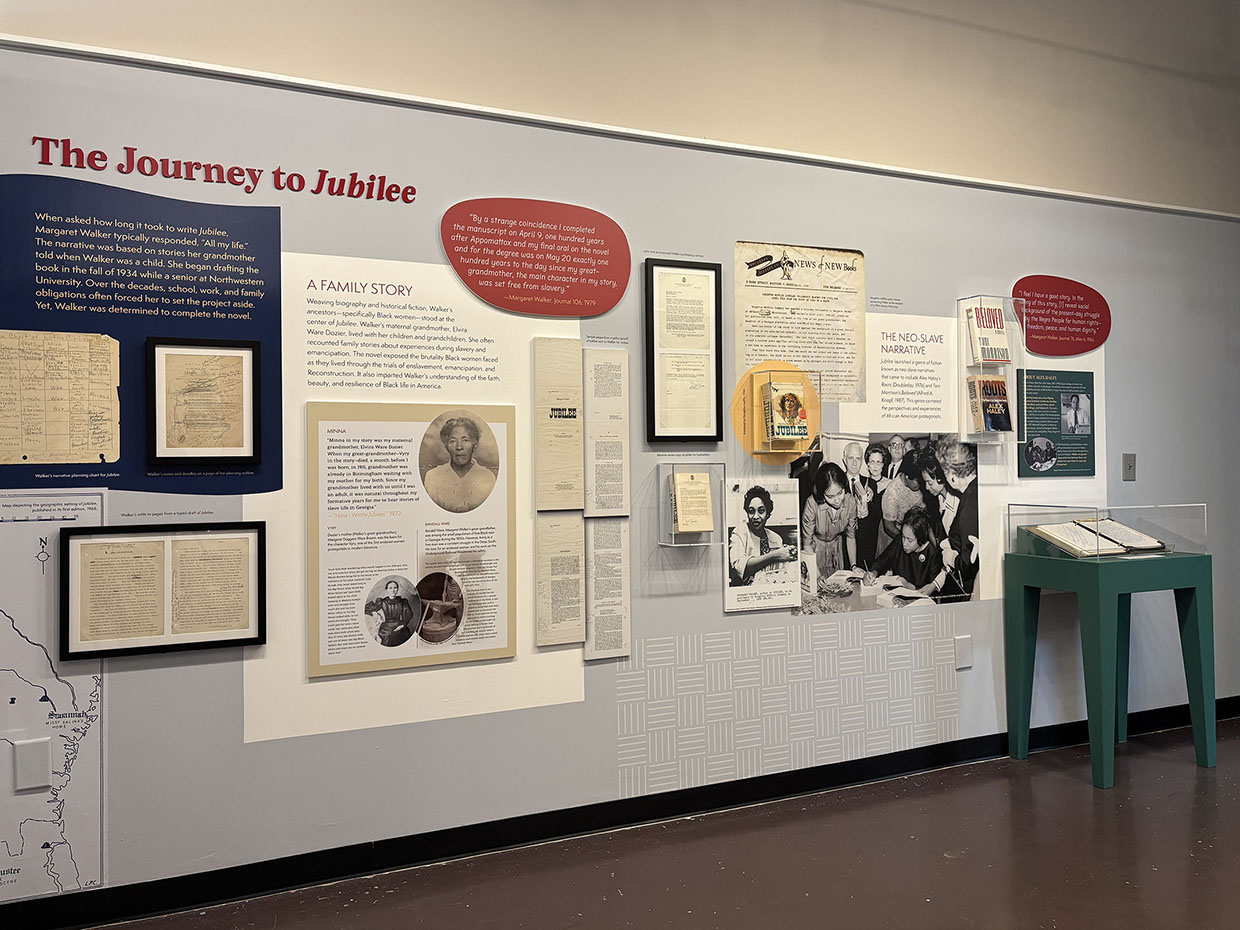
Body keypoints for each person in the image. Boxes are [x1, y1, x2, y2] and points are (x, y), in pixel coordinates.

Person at [934, 439, 979, 602]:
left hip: (969, 589)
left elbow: (969, 563)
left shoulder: (969, 505)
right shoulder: (976, 488)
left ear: (952, 475)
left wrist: (950, 558)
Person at [423, 416, 497, 513]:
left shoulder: (488, 477)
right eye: (453, 441)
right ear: (446, 446)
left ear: (475, 445)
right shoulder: (432, 477)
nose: (459, 447)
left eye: (465, 440)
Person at [801, 462, 858, 582]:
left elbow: (851, 537)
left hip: (836, 549)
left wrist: (854, 566)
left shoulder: (851, 502)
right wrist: (816, 575)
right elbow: (807, 544)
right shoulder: (812, 504)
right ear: (822, 493)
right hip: (814, 550)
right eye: (830, 497)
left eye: (840, 493)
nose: (837, 500)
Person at [729, 485, 797, 585]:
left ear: (768, 514)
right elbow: (740, 567)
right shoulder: (739, 533)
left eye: (761, 511)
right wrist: (775, 555)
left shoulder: (776, 538)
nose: (755, 516)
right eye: (751, 511)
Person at [868, 509, 944, 596]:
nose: (904, 543)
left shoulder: (931, 553)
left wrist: (911, 587)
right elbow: (881, 562)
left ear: (921, 539)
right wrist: (873, 573)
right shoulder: (899, 542)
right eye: (903, 537)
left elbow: (931, 591)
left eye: (909, 540)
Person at [878, 454, 924, 556]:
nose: (921, 485)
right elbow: (889, 527)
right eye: (918, 482)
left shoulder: (917, 485)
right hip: (894, 538)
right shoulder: (892, 492)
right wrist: (910, 542)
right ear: (907, 477)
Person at [857, 442, 890, 569]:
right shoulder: (861, 483)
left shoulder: (890, 484)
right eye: (872, 462)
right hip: (866, 533)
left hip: (884, 532)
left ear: (883, 464)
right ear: (867, 463)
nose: (875, 466)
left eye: (879, 462)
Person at [364, 579, 417, 647]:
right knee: (389, 636)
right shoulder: (382, 602)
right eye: (390, 588)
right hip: (387, 626)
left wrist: (402, 625)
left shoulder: (403, 601)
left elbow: (409, 614)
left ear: (397, 589)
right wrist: (374, 612)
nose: (393, 590)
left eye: (395, 587)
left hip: (399, 624)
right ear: (387, 590)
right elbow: (368, 608)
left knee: (405, 634)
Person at [919, 448, 957, 542]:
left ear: (941, 478)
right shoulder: (940, 498)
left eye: (929, 483)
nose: (926, 487)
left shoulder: (957, 503)